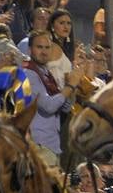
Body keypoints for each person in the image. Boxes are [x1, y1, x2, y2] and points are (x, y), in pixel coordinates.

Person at [23, 29, 82, 158]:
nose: (44, 52)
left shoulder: (46, 74)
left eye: (47, 47)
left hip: (52, 143)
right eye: (39, 47)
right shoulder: (28, 74)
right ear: (29, 50)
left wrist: (72, 88)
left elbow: (65, 108)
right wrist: (70, 85)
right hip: (38, 143)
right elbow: (48, 106)